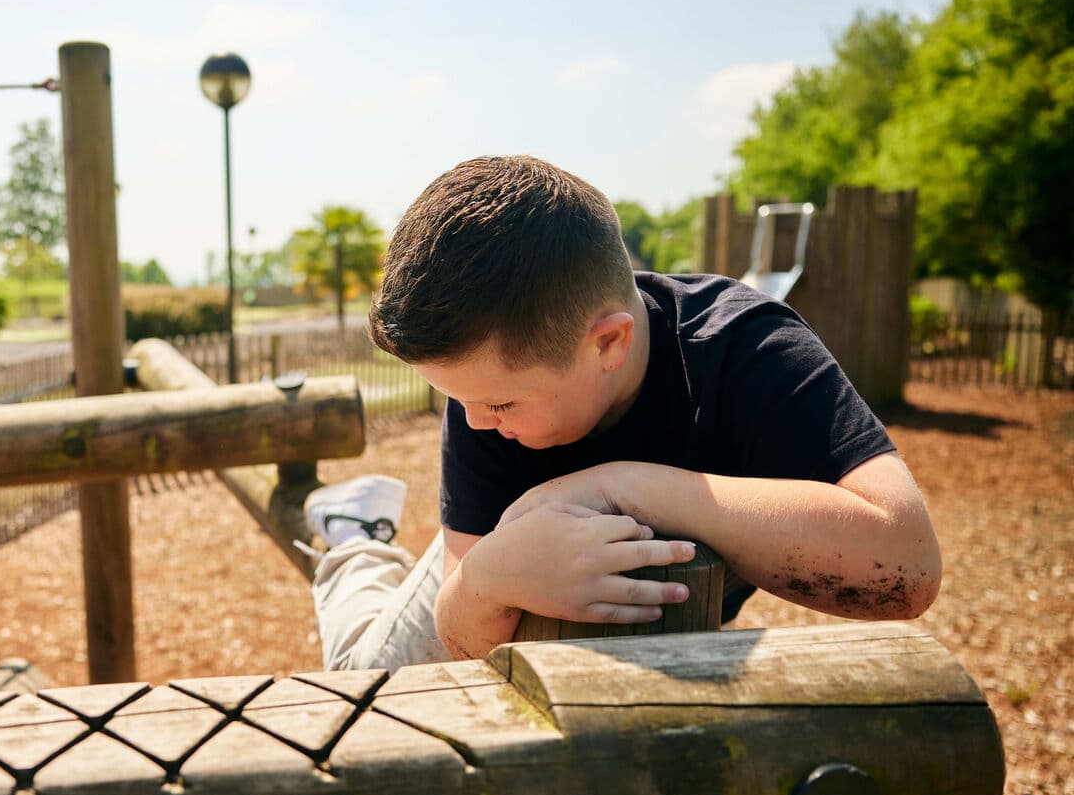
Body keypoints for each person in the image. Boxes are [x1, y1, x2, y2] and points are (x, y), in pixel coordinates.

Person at [307, 154, 941, 669]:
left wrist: (621, 487)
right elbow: (461, 640)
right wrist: (485, 580)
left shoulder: (746, 348)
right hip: (503, 582)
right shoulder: (486, 391)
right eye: (460, 402)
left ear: (608, 342)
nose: (473, 423)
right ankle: (353, 537)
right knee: (364, 679)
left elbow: (907, 567)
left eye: (497, 403)